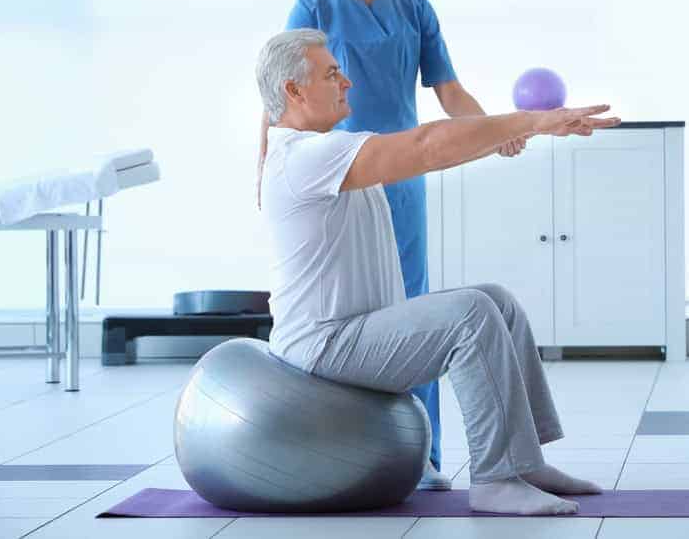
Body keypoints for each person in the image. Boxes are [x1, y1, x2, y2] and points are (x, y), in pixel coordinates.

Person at [256, 28, 619, 515]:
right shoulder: (302, 157)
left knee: (496, 301)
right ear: (293, 91)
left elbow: (433, 155)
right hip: (324, 345)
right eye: (332, 73)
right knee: (470, 313)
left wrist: (522, 130)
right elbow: (426, 145)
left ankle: (525, 462)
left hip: (356, 331)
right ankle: (495, 479)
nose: (347, 83)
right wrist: (531, 119)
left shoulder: (326, 151)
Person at [256, 0, 522, 489]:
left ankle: (422, 457)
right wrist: (266, 169)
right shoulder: (314, 9)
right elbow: (280, 93)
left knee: (413, 312)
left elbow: (448, 89)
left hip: (402, 180)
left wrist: (489, 130)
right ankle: (347, 445)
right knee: (355, 316)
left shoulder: (415, 8)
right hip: (337, 180)